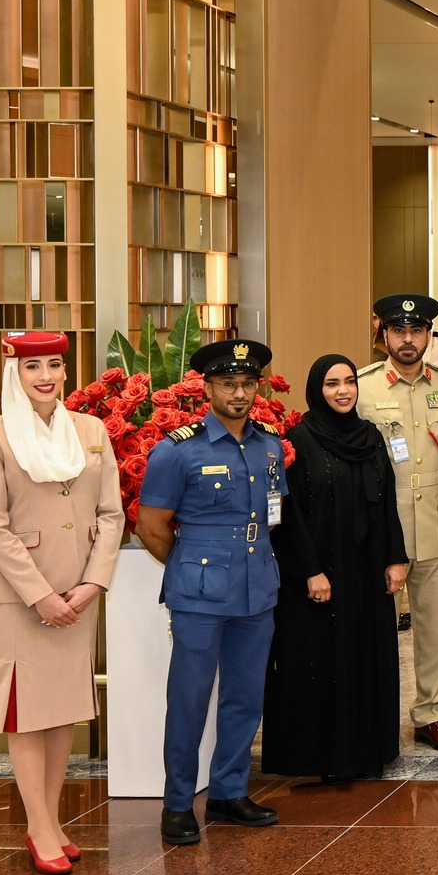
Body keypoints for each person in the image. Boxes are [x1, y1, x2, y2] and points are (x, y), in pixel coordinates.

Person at [0, 331, 123, 874]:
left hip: (78, 593)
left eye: (54, 365)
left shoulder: (91, 430)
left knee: (62, 712)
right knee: (27, 714)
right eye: (33, 367)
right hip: (19, 599)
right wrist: (40, 596)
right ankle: (38, 826)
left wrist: (94, 582)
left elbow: (111, 515)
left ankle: (51, 820)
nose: (46, 376)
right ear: (14, 373)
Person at [135, 339, 283, 846]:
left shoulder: (268, 444)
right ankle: (177, 803)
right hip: (200, 592)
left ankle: (228, 792)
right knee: (190, 699)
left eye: (248, 384)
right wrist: (193, 566)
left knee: (245, 697)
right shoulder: (177, 450)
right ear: (208, 389)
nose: (239, 393)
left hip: (257, 588)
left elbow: (272, 513)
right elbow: (151, 526)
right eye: (228, 384)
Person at [263, 355, 410, 782]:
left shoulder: (370, 436)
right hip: (319, 574)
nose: (343, 391)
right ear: (317, 389)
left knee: (365, 657)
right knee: (320, 661)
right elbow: (290, 515)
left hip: (366, 571)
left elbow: (388, 500)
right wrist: (310, 570)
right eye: (332, 384)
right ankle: (320, 758)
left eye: (349, 382)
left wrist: (395, 558)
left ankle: (366, 751)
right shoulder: (298, 439)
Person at [357, 294, 438, 751]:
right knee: (375, 628)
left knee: (437, 626)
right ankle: (375, 715)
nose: (408, 339)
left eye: (417, 331)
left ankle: (432, 713)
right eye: (399, 331)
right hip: (381, 527)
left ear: (428, 335)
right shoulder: (362, 387)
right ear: (383, 335)